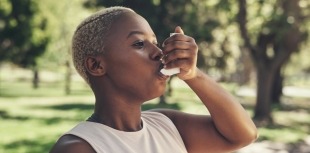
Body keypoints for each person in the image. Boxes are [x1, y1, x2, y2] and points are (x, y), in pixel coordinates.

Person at [50, 6, 258, 153]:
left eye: (155, 42)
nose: (159, 52)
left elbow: (243, 135)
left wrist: (193, 74)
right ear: (96, 66)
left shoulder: (167, 124)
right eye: (139, 43)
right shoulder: (80, 147)